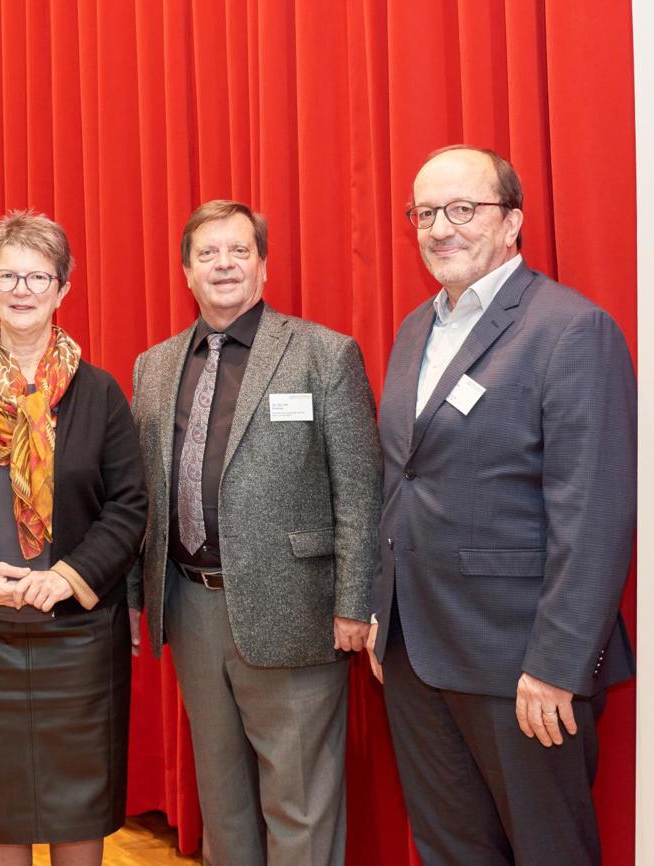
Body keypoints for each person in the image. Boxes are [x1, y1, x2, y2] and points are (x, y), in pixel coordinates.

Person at [367, 145, 636, 866]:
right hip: (415, 653)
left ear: (512, 222)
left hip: (519, 664)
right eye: (425, 212)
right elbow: (401, 480)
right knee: (450, 849)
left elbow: (595, 514)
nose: (440, 228)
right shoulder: (416, 329)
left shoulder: (570, 329)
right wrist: (380, 607)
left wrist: (557, 665)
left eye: (463, 209)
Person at [127, 199, 381, 866]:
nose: (224, 265)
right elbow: (140, 497)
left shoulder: (323, 354)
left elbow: (359, 490)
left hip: (296, 611)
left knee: (300, 806)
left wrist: (354, 603)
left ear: (263, 266)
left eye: (239, 251)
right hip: (189, 607)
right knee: (222, 801)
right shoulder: (154, 367)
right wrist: (135, 599)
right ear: (186, 272)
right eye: (207, 253)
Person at [0, 211, 147, 866]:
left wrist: (68, 577)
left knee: (79, 810)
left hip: (80, 638)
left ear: (63, 289)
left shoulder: (100, 394)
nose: (22, 289)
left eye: (38, 276)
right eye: (9, 275)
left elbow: (129, 507)